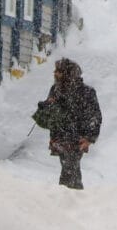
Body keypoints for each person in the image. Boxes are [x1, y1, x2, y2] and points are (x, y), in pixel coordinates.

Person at [32, 58, 102, 189]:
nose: (54, 73)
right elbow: (51, 116)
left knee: (70, 170)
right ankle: (71, 198)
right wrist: (46, 106)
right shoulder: (56, 89)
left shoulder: (86, 92)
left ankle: (69, 198)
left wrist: (89, 138)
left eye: (58, 71)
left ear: (67, 73)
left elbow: (95, 117)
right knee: (69, 169)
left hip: (77, 138)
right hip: (60, 136)